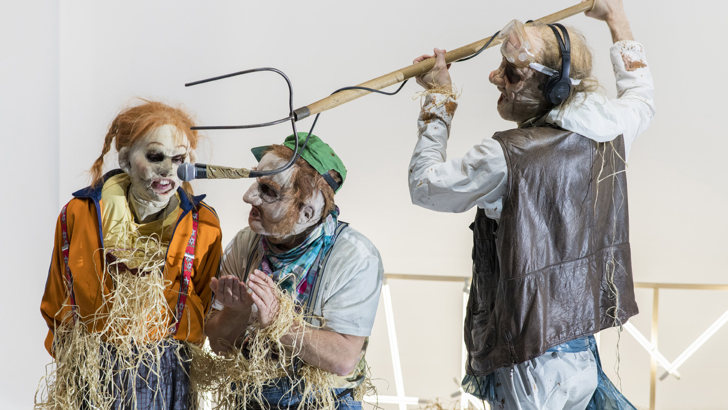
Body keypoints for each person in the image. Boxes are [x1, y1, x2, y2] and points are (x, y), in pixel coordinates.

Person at [409, 0, 654, 408]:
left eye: (511, 73)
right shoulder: (613, 128)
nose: (493, 77)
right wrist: (617, 19)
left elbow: (425, 186)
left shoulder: (504, 158)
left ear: (554, 87)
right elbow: (641, 94)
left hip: (529, 363)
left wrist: (439, 99)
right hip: (579, 353)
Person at [39, 100, 223, 409]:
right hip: (93, 368)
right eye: (154, 156)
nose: (167, 169)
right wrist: (73, 366)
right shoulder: (79, 214)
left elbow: (204, 302)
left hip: (169, 373)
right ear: (125, 159)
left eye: (178, 159)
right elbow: (59, 296)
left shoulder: (203, 225)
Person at [204, 133, 383, 410]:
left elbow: (344, 359)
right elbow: (218, 344)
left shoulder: (354, 256)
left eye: (269, 191)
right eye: (256, 183)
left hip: (325, 402)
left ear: (307, 214)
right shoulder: (244, 244)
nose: (248, 196)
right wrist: (236, 313)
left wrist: (279, 322)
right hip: (250, 399)